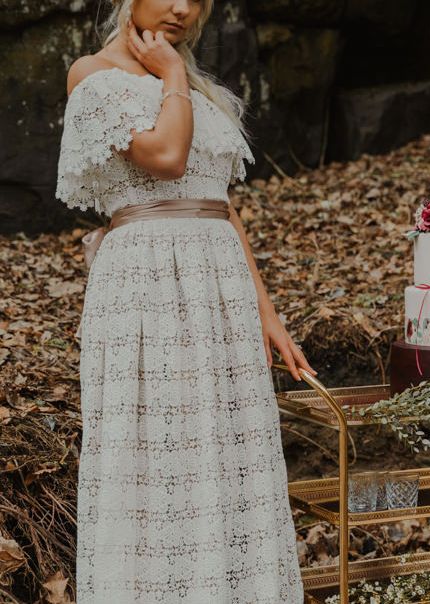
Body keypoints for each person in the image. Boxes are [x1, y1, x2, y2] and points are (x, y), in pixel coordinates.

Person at [55, 0, 315, 601]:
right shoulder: (92, 74)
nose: (185, 8)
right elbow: (167, 160)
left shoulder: (196, 85)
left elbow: (219, 202)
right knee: (154, 456)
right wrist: (172, 76)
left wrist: (266, 313)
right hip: (146, 285)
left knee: (227, 449)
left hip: (217, 283)